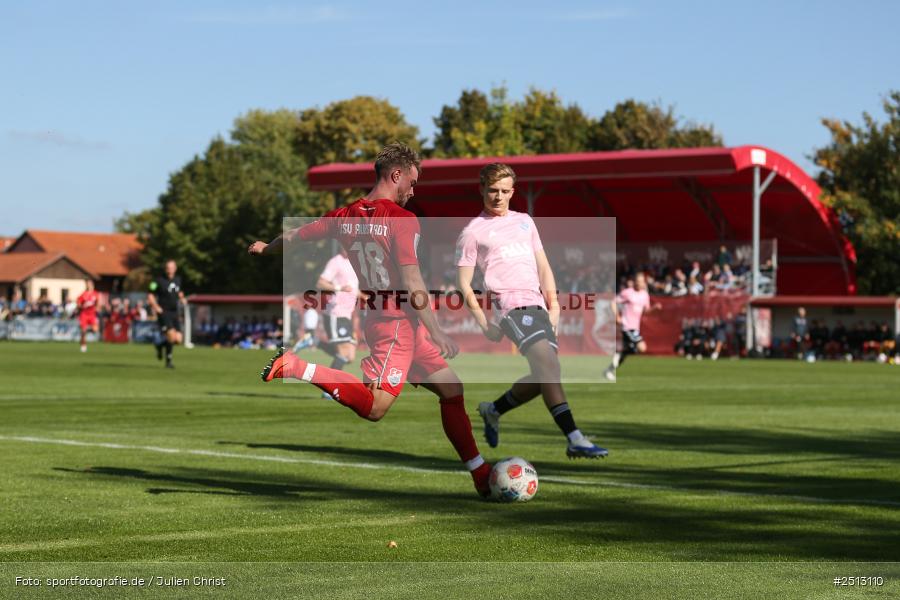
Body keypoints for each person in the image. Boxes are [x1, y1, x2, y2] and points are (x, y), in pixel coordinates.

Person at [249, 142, 492, 497]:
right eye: (412, 181)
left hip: (392, 321)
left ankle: (480, 474)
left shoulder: (344, 216)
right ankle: (296, 367)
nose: (413, 189)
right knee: (376, 407)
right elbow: (412, 280)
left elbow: (293, 236)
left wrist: (265, 248)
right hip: (395, 324)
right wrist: (437, 331)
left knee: (452, 391)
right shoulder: (402, 220)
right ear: (396, 175)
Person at [456, 163, 608, 459]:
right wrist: (484, 323)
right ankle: (574, 438)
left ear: (513, 192)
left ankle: (494, 409)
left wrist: (555, 306)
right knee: (549, 370)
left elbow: (543, 266)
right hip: (510, 309)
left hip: (538, 306)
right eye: (492, 190)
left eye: (504, 191)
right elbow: (463, 284)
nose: (498, 197)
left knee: (545, 375)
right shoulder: (473, 231)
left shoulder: (525, 221)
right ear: (481, 189)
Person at [311, 249, 360, 399]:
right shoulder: (336, 261)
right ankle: (329, 390)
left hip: (346, 314)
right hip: (335, 313)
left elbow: (352, 288)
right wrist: (339, 288)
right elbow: (320, 283)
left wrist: (363, 296)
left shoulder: (355, 263)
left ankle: (316, 342)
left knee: (349, 356)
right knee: (343, 353)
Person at [603, 272, 662, 380]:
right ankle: (617, 358)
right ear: (634, 282)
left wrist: (655, 308)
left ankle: (609, 369)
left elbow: (646, 311)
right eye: (638, 281)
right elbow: (613, 302)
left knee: (627, 351)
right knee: (642, 347)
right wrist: (617, 316)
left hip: (635, 328)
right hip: (627, 326)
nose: (640, 283)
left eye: (642, 281)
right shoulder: (627, 292)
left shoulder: (644, 295)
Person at [147, 259, 186, 369]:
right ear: (165, 269)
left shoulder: (178, 280)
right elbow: (150, 295)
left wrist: (182, 298)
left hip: (174, 312)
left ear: (175, 268)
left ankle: (159, 346)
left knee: (178, 339)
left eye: (172, 268)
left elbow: (179, 292)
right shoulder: (158, 281)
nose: (170, 270)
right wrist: (156, 306)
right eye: (168, 268)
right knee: (171, 335)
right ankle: (168, 361)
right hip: (164, 312)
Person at [76, 279, 100, 353]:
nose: (88, 285)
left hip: (92, 315)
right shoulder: (84, 294)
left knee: (95, 330)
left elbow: (97, 303)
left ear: (92, 285)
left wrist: (97, 308)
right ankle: (83, 346)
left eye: (89, 284)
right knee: (83, 331)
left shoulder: (96, 294)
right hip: (84, 314)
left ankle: (86, 331)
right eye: (87, 284)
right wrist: (81, 306)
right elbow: (78, 302)